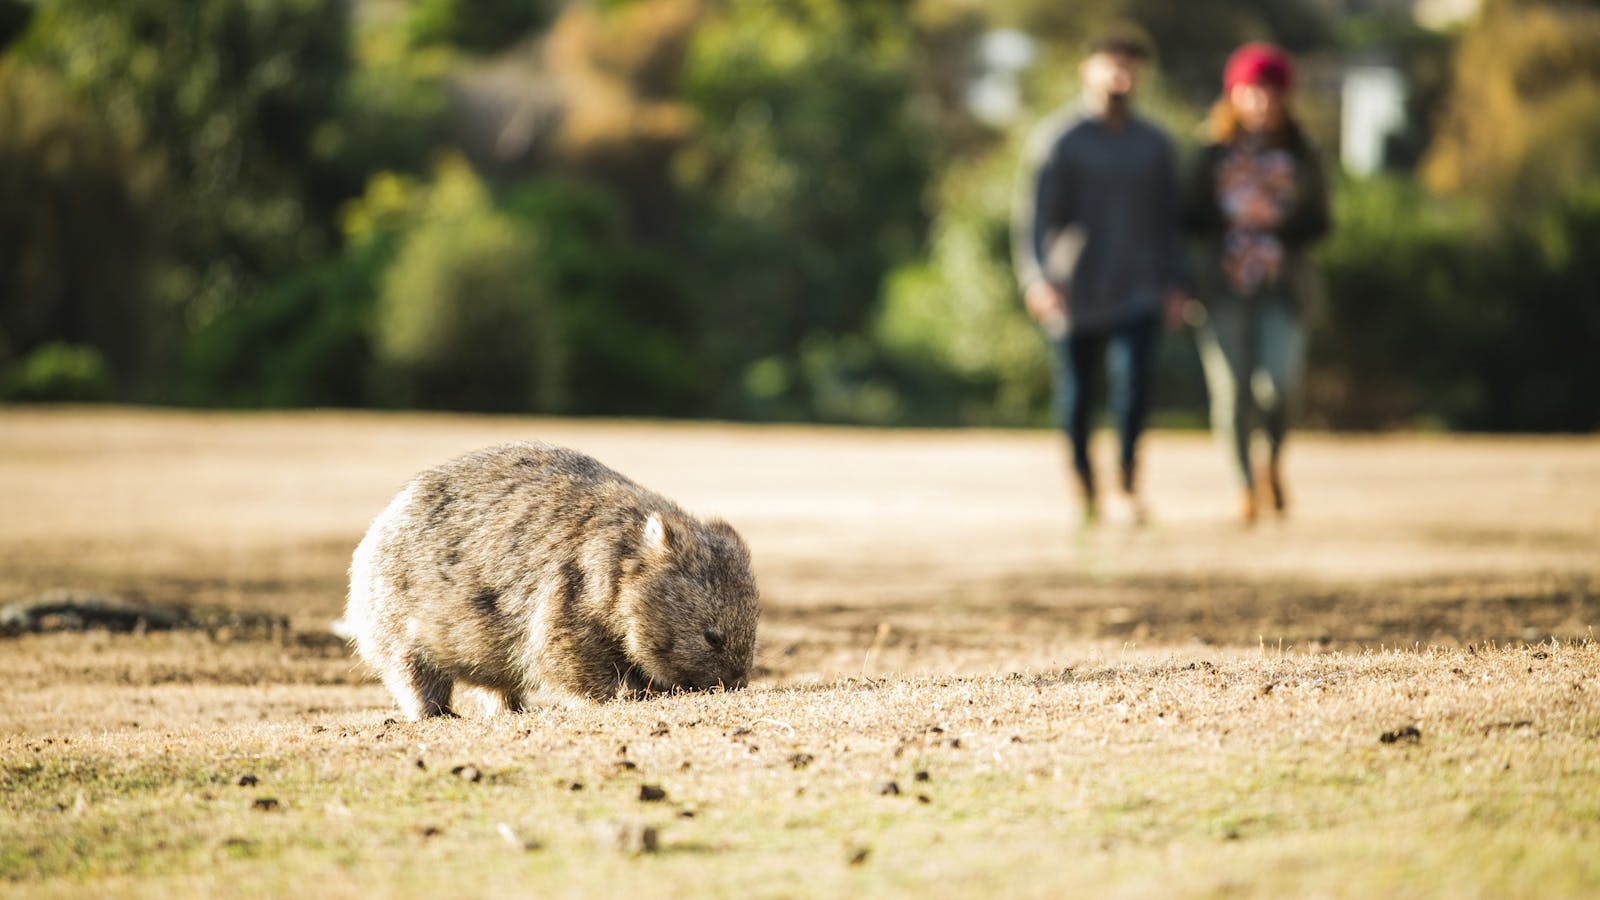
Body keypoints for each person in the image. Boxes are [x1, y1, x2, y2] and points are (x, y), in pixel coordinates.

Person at [1012, 28, 1187, 526]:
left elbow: (1170, 221)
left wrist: (1177, 283)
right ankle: (1083, 483)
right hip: (1076, 286)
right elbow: (1034, 219)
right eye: (1111, 63)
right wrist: (1037, 278)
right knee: (1079, 393)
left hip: (1142, 284)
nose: (1120, 73)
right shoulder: (1059, 139)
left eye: (1130, 65)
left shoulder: (1155, 145)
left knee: (1135, 385)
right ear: (1086, 69)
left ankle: (1129, 482)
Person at [1184, 43, 1331, 526]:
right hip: (1222, 286)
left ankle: (1273, 462)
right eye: (1252, 91)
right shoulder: (1210, 153)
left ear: (1285, 97)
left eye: (1271, 92)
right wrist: (1229, 221)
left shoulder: (1302, 153)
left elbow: (1321, 222)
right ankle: (1245, 486)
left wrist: (1278, 224)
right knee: (1232, 392)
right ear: (1234, 95)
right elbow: (1187, 217)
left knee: (1278, 386)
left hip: (1282, 287)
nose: (1262, 101)